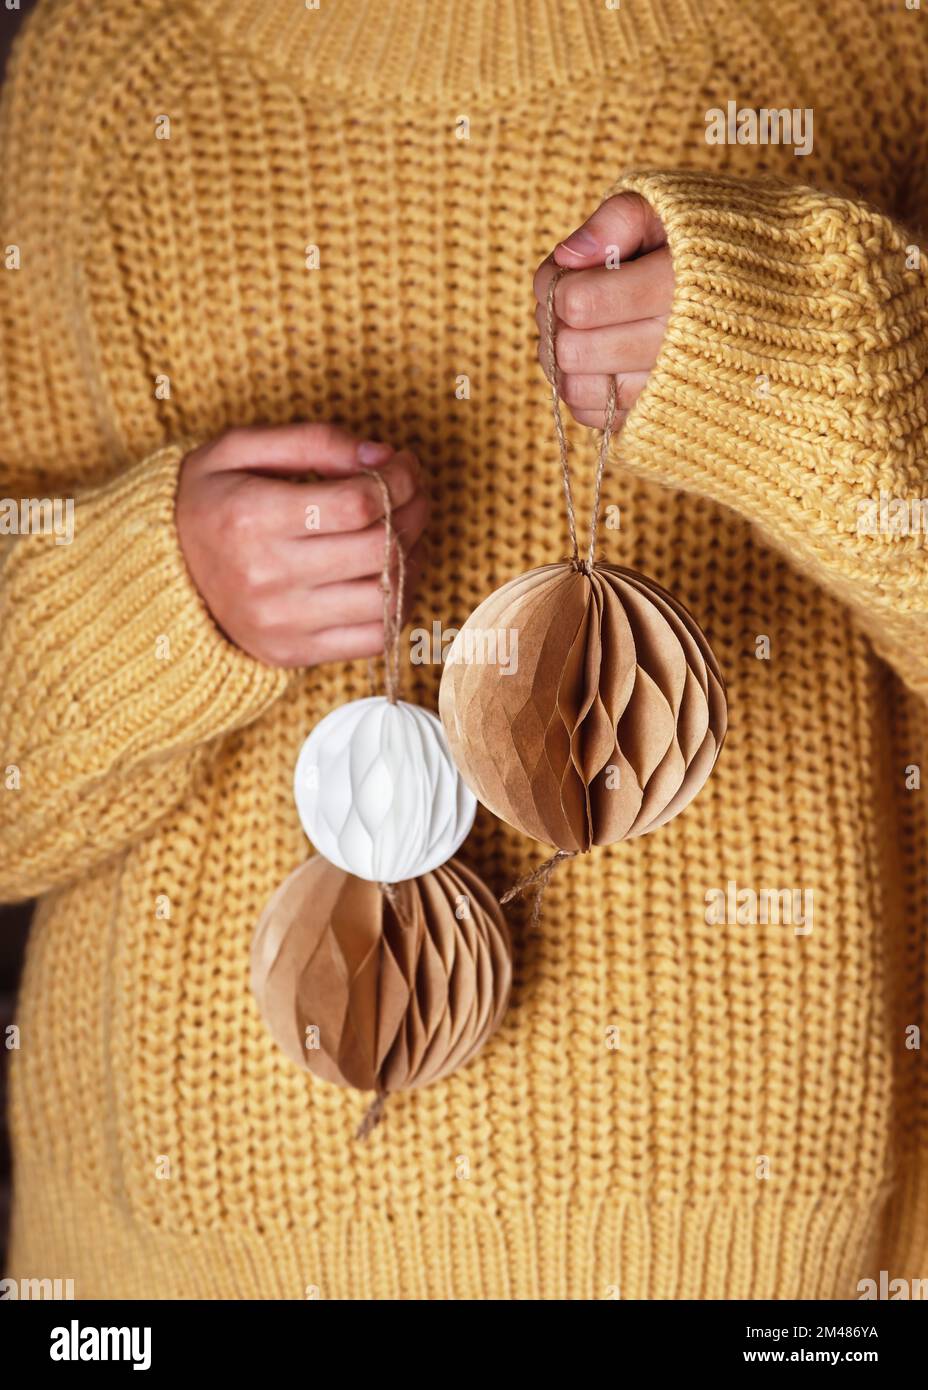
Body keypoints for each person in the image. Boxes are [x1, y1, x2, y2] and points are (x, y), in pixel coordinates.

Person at [1, 0, 926, 1300]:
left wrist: (797, 366)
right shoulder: (105, 71)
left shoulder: (856, 39)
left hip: (775, 1263)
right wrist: (152, 595)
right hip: (182, 1267)